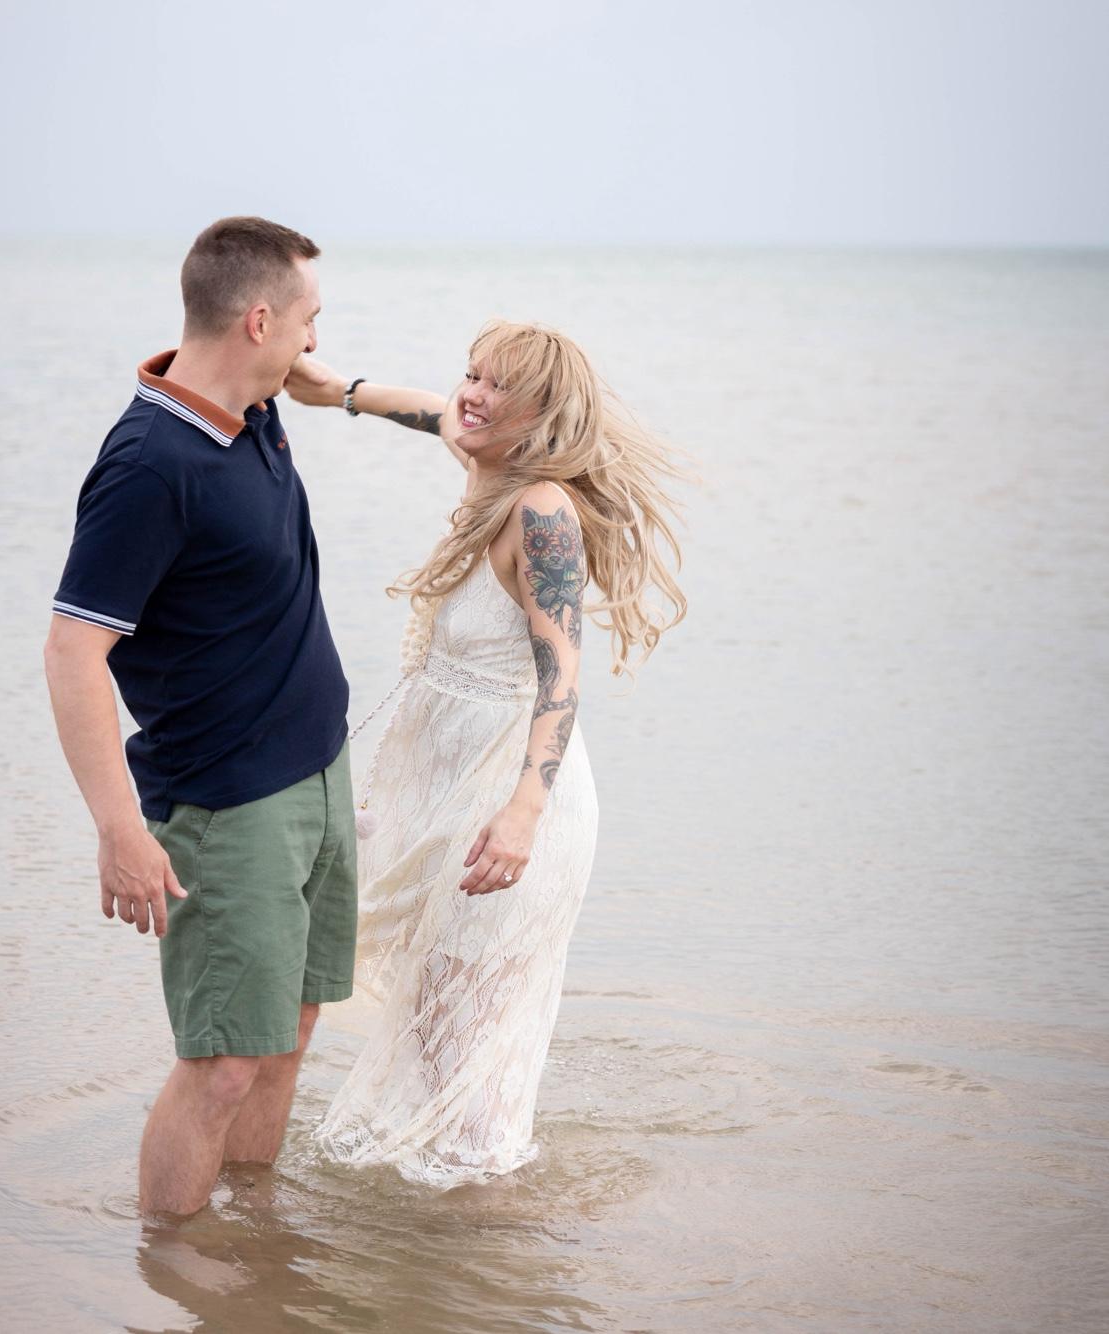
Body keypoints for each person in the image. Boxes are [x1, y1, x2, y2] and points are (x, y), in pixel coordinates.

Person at [284, 320, 686, 1186]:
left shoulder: (540, 510)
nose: (471, 395)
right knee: (434, 1015)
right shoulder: (485, 465)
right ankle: (456, 1216)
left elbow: (562, 676)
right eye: (472, 373)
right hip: (448, 788)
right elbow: (429, 410)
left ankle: (489, 1216)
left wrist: (522, 816)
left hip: (510, 802)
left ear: (541, 414)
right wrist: (338, 391)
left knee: (466, 1028)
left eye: (499, 385)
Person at [43, 216, 357, 1217]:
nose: (315, 341)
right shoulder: (149, 467)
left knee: (289, 1029)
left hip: (319, 772)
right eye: (307, 320)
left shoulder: (253, 409)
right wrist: (118, 830)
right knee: (222, 1062)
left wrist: (333, 388)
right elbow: (72, 650)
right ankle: (171, 1264)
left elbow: (282, 372)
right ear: (257, 320)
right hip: (227, 803)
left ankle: (255, 1243)